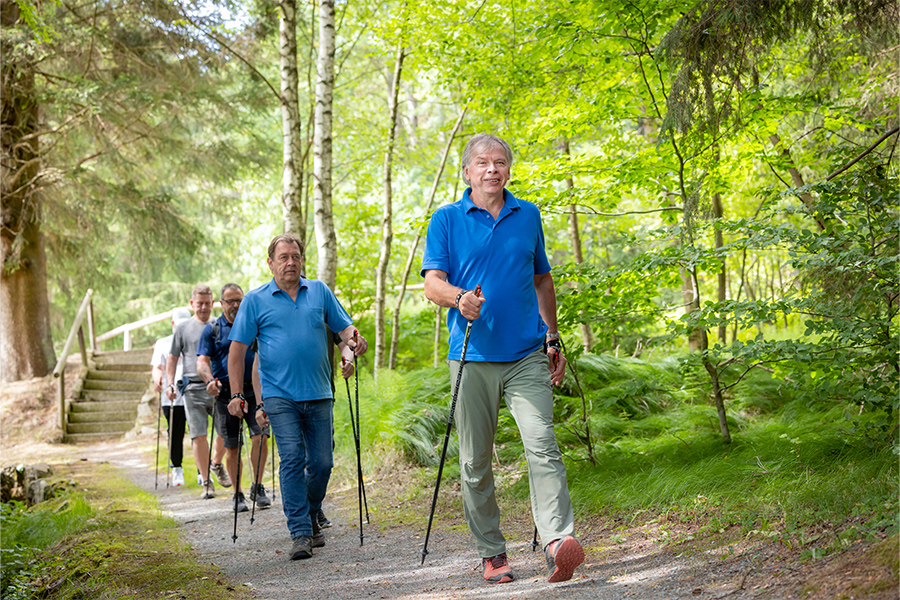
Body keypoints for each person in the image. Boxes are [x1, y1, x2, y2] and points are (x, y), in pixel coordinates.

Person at [421, 133, 585, 585]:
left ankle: (557, 542)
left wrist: (553, 337)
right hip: (471, 355)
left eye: (500, 162)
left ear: (508, 169)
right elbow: (431, 283)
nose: (492, 169)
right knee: (475, 462)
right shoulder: (448, 219)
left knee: (542, 445)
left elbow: (543, 281)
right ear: (467, 172)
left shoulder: (527, 214)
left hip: (526, 355)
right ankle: (493, 553)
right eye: (483, 163)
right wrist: (458, 299)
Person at [227, 234, 367, 561]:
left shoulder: (319, 291)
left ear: (302, 260)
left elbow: (346, 332)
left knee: (322, 462)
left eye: (296, 256)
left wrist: (352, 347)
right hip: (279, 396)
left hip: (319, 392)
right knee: (291, 458)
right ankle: (301, 532)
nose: (291, 262)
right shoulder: (256, 300)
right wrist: (236, 394)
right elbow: (237, 351)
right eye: (284, 257)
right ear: (270, 262)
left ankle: (311, 510)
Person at [197, 283, 271, 513]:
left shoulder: (254, 325)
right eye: (230, 301)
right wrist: (209, 380)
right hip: (226, 393)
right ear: (221, 303)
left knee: (260, 436)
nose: (236, 305)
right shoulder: (212, 330)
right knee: (232, 446)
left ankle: (257, 487)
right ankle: (237, 493)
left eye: (239, 300)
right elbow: (201, 362)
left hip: (255, 389)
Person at [166, 284, 231, 498]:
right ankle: (206, 481)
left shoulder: (219, 325)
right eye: (199, 303)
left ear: (213, 303)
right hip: (192, 387)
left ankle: (216, 463)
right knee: (198, 435)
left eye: (207, 303)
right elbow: (173, 358)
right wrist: (170, 382)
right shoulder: (183, 328)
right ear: (192, 303)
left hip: (219, 386)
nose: (203, 307)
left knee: (225, 431)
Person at [151, 307, 192, 486]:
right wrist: (157, 381)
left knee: (198, 433)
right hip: (171, 396)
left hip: (193, 393)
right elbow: (157, 367)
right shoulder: (163, 342)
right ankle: (177, 469)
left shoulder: (195, 340)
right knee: (175, 433)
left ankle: (203, 472)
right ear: (173, 324)